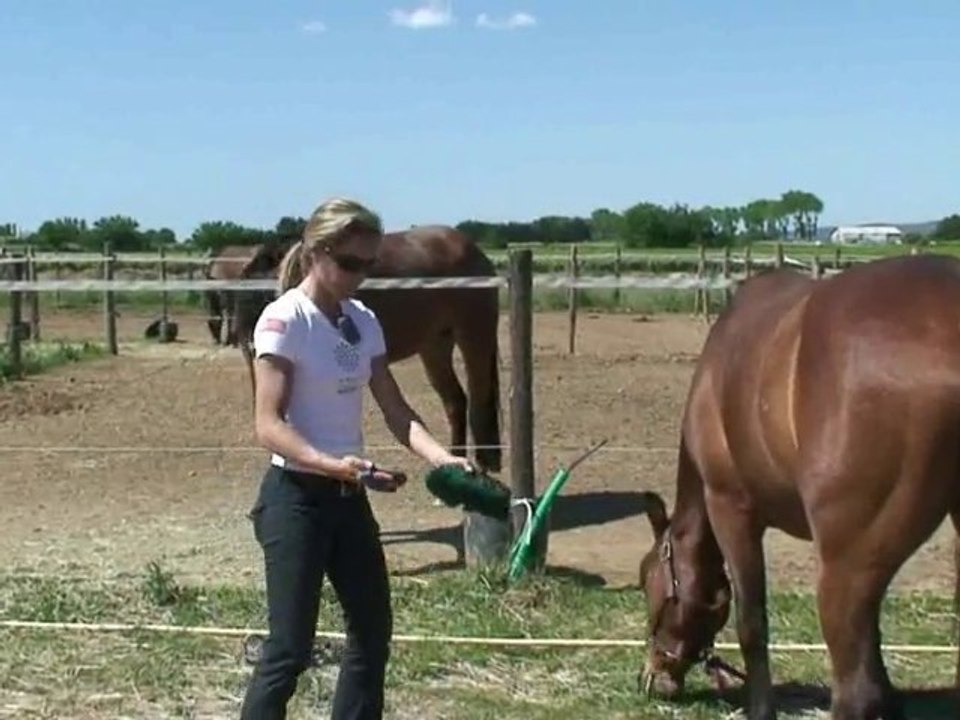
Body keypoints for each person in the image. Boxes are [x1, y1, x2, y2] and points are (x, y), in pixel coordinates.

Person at [239, 197, 474, 720]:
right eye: (349, 263)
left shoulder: (362, 320)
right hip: (295, 501)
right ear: (315, 253)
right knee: (289, 649)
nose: (359, 277)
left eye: (368, 266)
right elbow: (268, 425)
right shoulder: (283, 321)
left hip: (348, 499)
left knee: (371, 635)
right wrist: (334, 465)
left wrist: (443, 458)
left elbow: (395, 409)